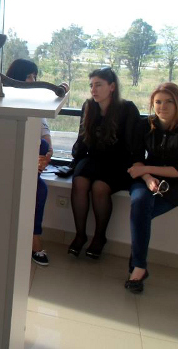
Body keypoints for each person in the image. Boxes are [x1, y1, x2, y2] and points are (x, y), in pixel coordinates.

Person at [125, 83, 178, 293]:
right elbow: (136, 159)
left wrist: (147, 169)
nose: (162, 106)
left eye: (168, 101)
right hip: (146, 178)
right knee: (140, 202)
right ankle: (139, 268)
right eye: (158, 102)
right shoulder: (144, 125)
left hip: (176, 185)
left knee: (141, 214)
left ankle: (137, 264)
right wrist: (147, 177)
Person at [68, 67, 140, 259]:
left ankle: (99, 237)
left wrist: (137, 167)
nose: (93, 90)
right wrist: (75, 162)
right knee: (79, 181)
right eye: (91, 85)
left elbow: (134, 144)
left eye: (98, 85)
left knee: (99, 187)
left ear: (112, 87)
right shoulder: (89, 106)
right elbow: (82, 139)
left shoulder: (127, 109)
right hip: (94, 158)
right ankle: (80, 235)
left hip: (118, 162)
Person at [6, 59, 54, 266]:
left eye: (35, 76)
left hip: (28, 166)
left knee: (39, 187)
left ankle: (32, 237)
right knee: (37, 187)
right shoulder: (4, 102)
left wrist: (45, 157)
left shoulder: (36, 105)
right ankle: (32, 240)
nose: (33, 81)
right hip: (8, 162)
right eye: (28, 76)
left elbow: (47, 141)